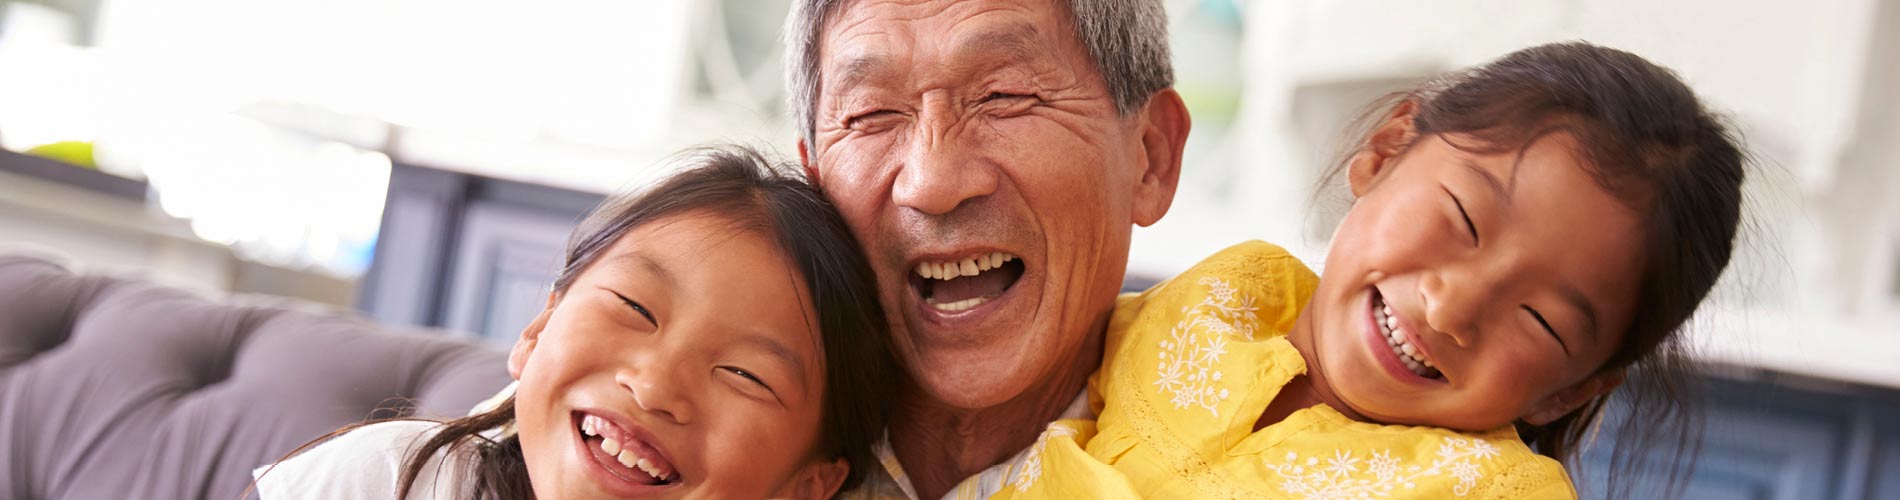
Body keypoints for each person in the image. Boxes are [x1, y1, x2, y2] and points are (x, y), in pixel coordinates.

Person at [992, 42, 1746, 499]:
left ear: (1572, 389)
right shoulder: (1231, 293)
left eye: (1539, 318)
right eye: (1464, 221)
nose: (1451, 308)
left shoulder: (1493, 492)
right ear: (1385, 153)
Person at [249, 145, 899, 499]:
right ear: (536, 332)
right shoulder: (390, 480)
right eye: (634, 309)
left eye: (743, 374)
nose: (654, 386)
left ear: (808, 489)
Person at [784, 0, 1191, 498]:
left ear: (1152, 156)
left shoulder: (1261, 447)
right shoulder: (720, 443)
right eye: (872, 113)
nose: (932, 183)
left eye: (1003, 94)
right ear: (813, 180)